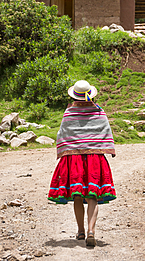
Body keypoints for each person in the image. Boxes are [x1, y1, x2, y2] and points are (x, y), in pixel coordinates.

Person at [48, 80, 116, 247]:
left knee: (78, 195)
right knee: (92, 195)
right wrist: (109, 149)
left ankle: (80, 232)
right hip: (94, 158)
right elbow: (105, 131)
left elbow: (63, 134)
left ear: (74, 96)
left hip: (74, 159)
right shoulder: (99, 113)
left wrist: (64, 152)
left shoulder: (69, 113)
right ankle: (91, 231)